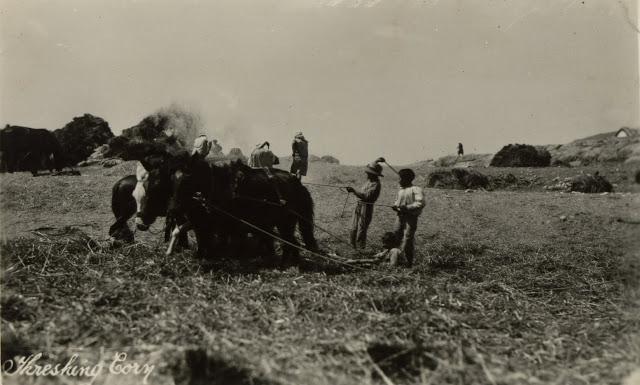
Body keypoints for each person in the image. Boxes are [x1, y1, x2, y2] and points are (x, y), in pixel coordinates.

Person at [391, 168, 425, 267]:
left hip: (410, 218)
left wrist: (407, 207)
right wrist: (396, 207)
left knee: (407, 240)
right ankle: (395, 260)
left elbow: (421, 203)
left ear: (407, 179)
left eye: (400, 179)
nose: (399, 181)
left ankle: (408, 262)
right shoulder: (400, 191)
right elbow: (397, 202)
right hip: (399, 217)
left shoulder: (416, 189)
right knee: (396, 237)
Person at [345, 161, 383, 249]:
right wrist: (376, 160)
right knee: (353, 225)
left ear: (375, 174)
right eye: (368, 172)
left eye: (369, 173)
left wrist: (354, 191)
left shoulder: (375, 184)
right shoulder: (369, 181)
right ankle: (352, 246)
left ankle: (360, 248)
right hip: (359, 204)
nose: (367, 174)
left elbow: (367, 196)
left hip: (367, 206)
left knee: (361, 228)